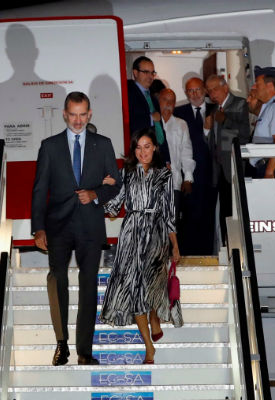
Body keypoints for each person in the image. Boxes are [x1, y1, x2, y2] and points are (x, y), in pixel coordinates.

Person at [31, 92, 121, 366]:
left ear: (90, 114)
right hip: (57, 226)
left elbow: (116, 184)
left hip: (90, 226)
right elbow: (39, 190)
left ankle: (84, 351)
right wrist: (38, 229)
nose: (78, 120)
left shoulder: (103, 144)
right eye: (73, 114)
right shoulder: (49, 145)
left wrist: (95, 193)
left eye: (83, 114)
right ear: (65, 114)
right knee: (58, 282)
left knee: (88, 286)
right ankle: (62, 345)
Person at [100, 128, 183, 364]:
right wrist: (107, 188)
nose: (143, 152)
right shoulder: (126, 173)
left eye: (147, 146)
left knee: (152, 287)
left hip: (156, 236)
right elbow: (114, 209)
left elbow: (169, 214)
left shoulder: (165, 175)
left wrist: (174, 246)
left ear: (155, 148)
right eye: (138, 147)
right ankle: (149, 347)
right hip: (131, 235)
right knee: (135, 291)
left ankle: (154, 317)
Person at [174, 77, 217, 255]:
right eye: (190, 91)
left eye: (198, 90)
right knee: (188, 215)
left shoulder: (216, 110)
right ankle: (187, 253)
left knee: (208, 215)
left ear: (205, 91)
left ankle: (207, 253)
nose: (194, 94)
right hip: (187, 174)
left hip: (211, 173)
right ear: (185, 93)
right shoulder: (178, 112)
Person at [205, 75, 250, 244]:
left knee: (235, 212)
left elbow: (244, 134)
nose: (211, 94)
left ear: (225, 87)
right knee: (224, 213)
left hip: (233, 167)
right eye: (208, 91)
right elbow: (212, 141)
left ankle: (237, 248)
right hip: (219, 169)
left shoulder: (239, 103)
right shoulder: (214, 109)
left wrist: (226, 121)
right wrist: (206, 130)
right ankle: (227, 247)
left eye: (214, 89)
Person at [158, 88, 195, 222]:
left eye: (172, 102)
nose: (168, 104)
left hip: (174, 182)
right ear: (158, 100)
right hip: (153, 184)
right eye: (165, 100)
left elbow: (186, 152)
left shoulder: (181, 124)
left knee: (172, 226)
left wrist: (188, 178)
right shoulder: (151, 123)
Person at [127, 56, 171, 165]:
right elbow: (130, 120)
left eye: (152, 73)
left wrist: (166, 159)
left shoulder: (152, 97)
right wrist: (151, 118)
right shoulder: (128, 91)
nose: (150, 76)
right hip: (139, 156)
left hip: (156, 156)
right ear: (135, 73)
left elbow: (159, 130)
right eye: (146, 72)